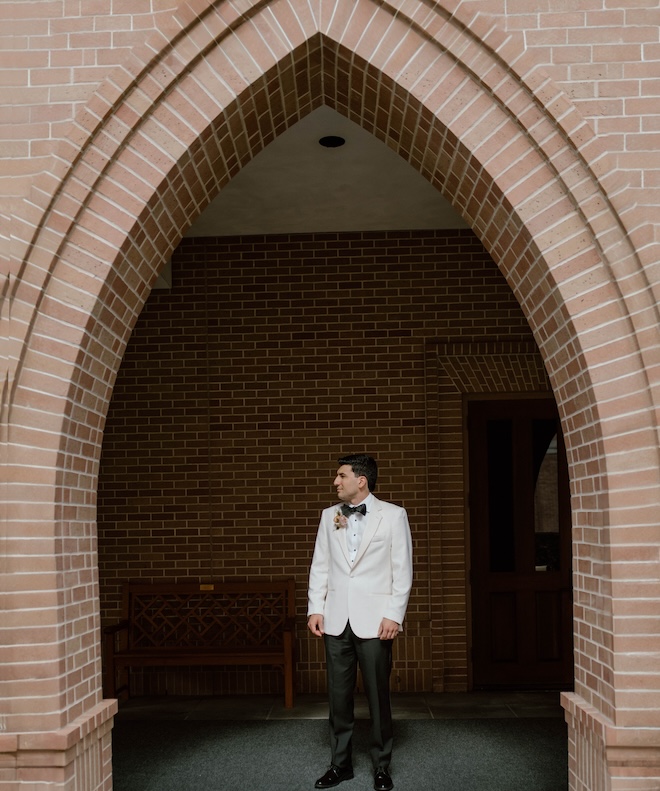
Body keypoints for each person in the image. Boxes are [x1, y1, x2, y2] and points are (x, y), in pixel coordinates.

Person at [307, 454, 413, 791]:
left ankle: (382, 766)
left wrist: (394, 615)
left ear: (361, 480)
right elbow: (320, 565)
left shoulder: (394, 516)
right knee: (338, 697)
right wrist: (315, 608)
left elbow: (402, 569)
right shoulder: (330, 516)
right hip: (336, 621)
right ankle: (340, 766)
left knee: (378, 696)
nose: (336, 482)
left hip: (376, 622)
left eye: (341, 476)